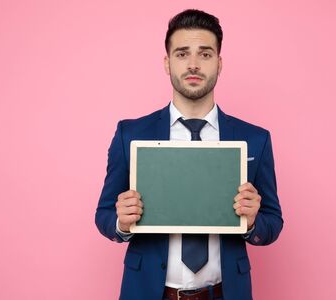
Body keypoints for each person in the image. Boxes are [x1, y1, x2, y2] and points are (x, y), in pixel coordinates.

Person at [95, 9, 283, 300]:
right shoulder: (130, 134)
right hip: (149, 293)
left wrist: (254, 220)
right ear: (167, 62)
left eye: (205, 54)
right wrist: (121, 222)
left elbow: (273, 223)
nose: (193, 64)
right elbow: (103, 215)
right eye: (182, 54)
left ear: (219, 64)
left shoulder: (255, 139)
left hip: (224, 293)